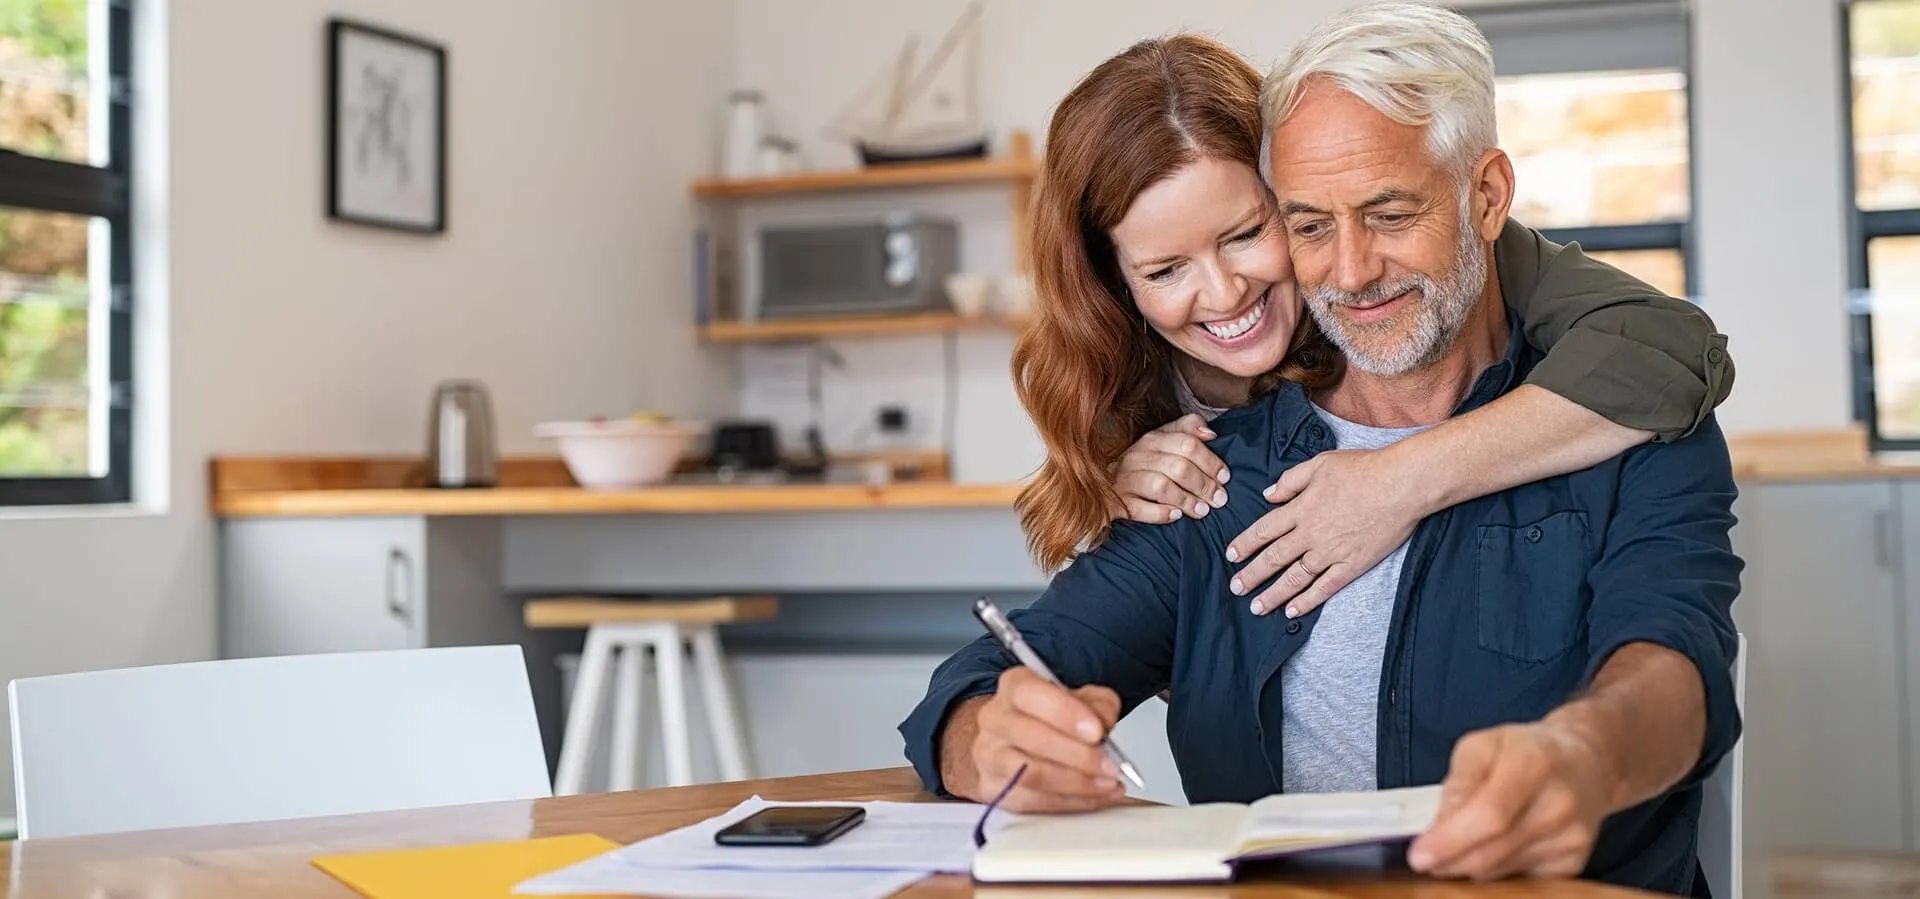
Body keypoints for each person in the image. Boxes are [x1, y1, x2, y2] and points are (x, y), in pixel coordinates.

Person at [902, 4, 1741, 895]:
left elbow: (1675, 659)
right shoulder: (1206, 467)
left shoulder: (1622, 416)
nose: (1349, 270)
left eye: (1388, 212)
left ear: (1487, 197)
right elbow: (986, 678)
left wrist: (1586, 751)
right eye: (1307, 224)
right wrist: (982, 735)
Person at [1011, 31, 1732, 622]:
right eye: (1165, 270)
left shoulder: (1428, 272)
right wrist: (1112, 479)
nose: (1224, 292)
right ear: (1117, 280)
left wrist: (1399, 480)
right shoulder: (1113, 368)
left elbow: (1673, 348)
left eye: (1245, 233)